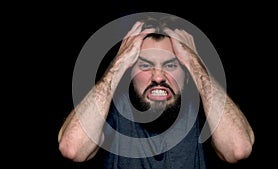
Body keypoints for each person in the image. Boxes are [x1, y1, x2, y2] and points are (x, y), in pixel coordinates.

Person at [58, 15, 255, 169]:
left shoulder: (205, 108)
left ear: (187, 74)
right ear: (129, 72)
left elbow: (238, 149)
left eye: (170, 65)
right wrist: (118, 64)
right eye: (145, 65)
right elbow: (72, 149)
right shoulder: (110, 109)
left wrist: (195, 63)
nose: (158, 77)